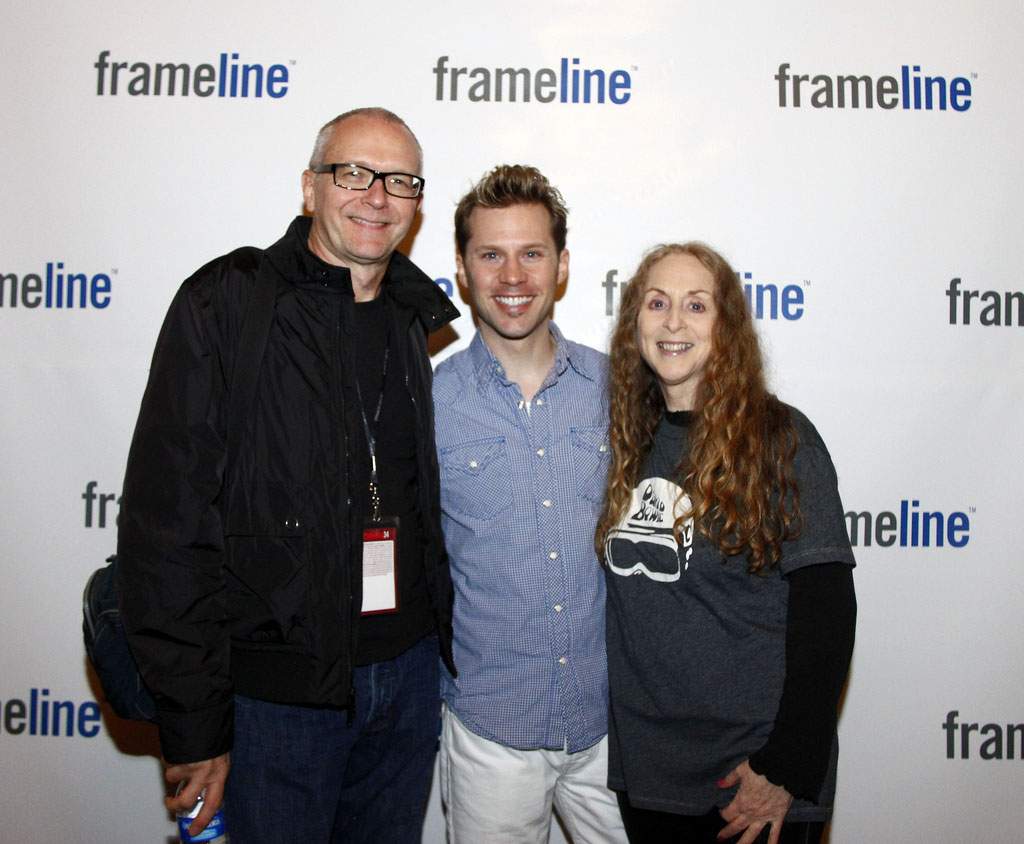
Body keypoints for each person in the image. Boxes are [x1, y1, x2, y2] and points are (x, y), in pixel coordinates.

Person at [116, 107, 459, 844]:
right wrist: (196, 725)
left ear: (416, 204)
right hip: (276, 700)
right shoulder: (227, 302)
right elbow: (166, 528)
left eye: (399, 180)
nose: (377, 195)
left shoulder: (409, 318)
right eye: (354, 173)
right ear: (311, 188)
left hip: (405, 680)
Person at [595, 243, 857, 844]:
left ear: (727, 326)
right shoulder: (621, 440)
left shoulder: (780, 438)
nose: (673, 322)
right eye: (657, 303)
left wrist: (786, 766)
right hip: (650, 774)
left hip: (753, 781)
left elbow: (828, 612)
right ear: (634, 321)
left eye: (696, 305)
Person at [433, 164, 626, 844]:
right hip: (491, 731)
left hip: (616, 728)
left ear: (562, 264)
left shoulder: (621, 390)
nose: (511, 277)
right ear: (462, 268)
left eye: (531, 254)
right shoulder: (427, 405)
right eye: (491, 255)